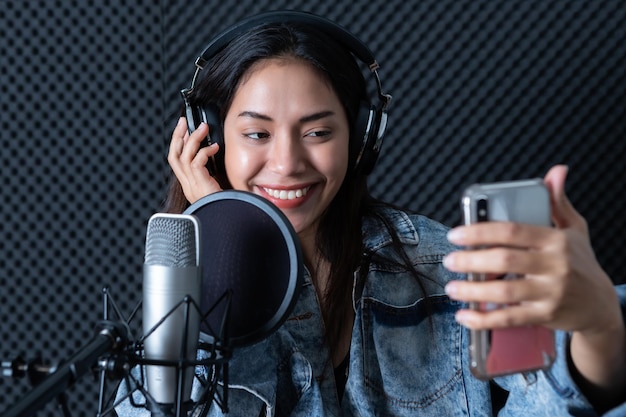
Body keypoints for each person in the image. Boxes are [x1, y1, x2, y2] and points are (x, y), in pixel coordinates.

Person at [116, 10, 626, 417]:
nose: (288, 163)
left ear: (361, 140)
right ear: (211, 140)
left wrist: (601, 329)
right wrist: (222, 233)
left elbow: (552, 400)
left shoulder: (446, 269)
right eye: (257, 134)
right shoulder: (187, 278)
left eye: (317, 132)